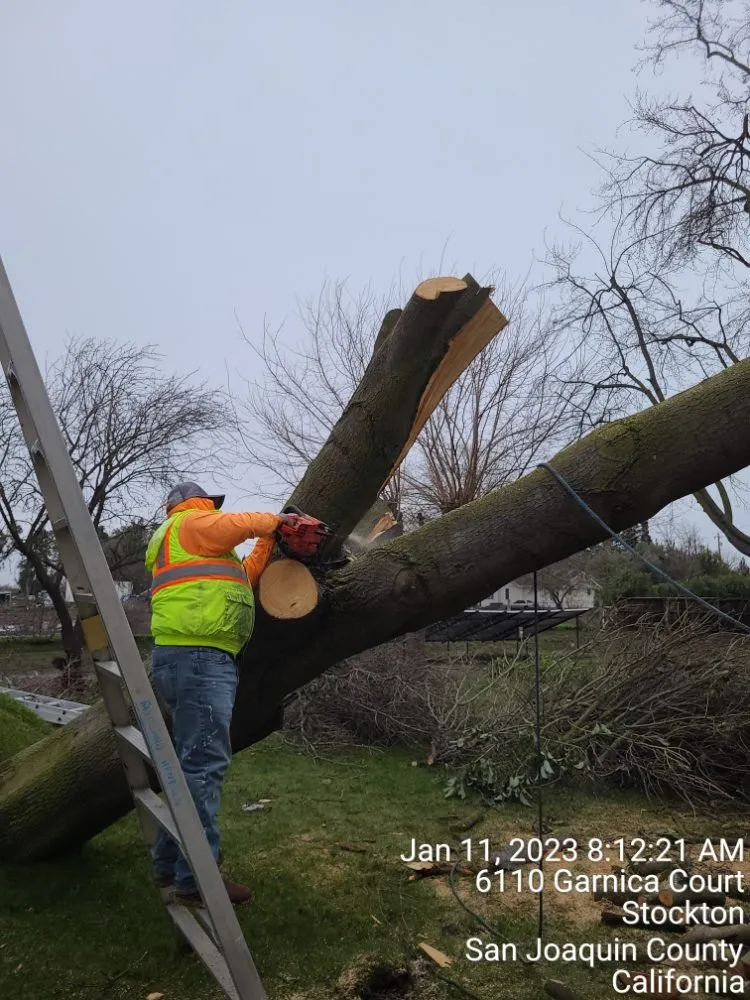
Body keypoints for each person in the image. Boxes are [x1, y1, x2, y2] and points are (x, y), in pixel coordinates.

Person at [145, 481, 290, 906]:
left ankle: (168, 864)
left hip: (185, 659)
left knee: (189, 766)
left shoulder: (192, 549)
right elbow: (239, 523)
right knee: (204, 767)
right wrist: (279, 522)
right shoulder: (189, 524)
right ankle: (196, 879)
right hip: (200, 660)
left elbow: (243, 579)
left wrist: (268, 542)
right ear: (197, 505)